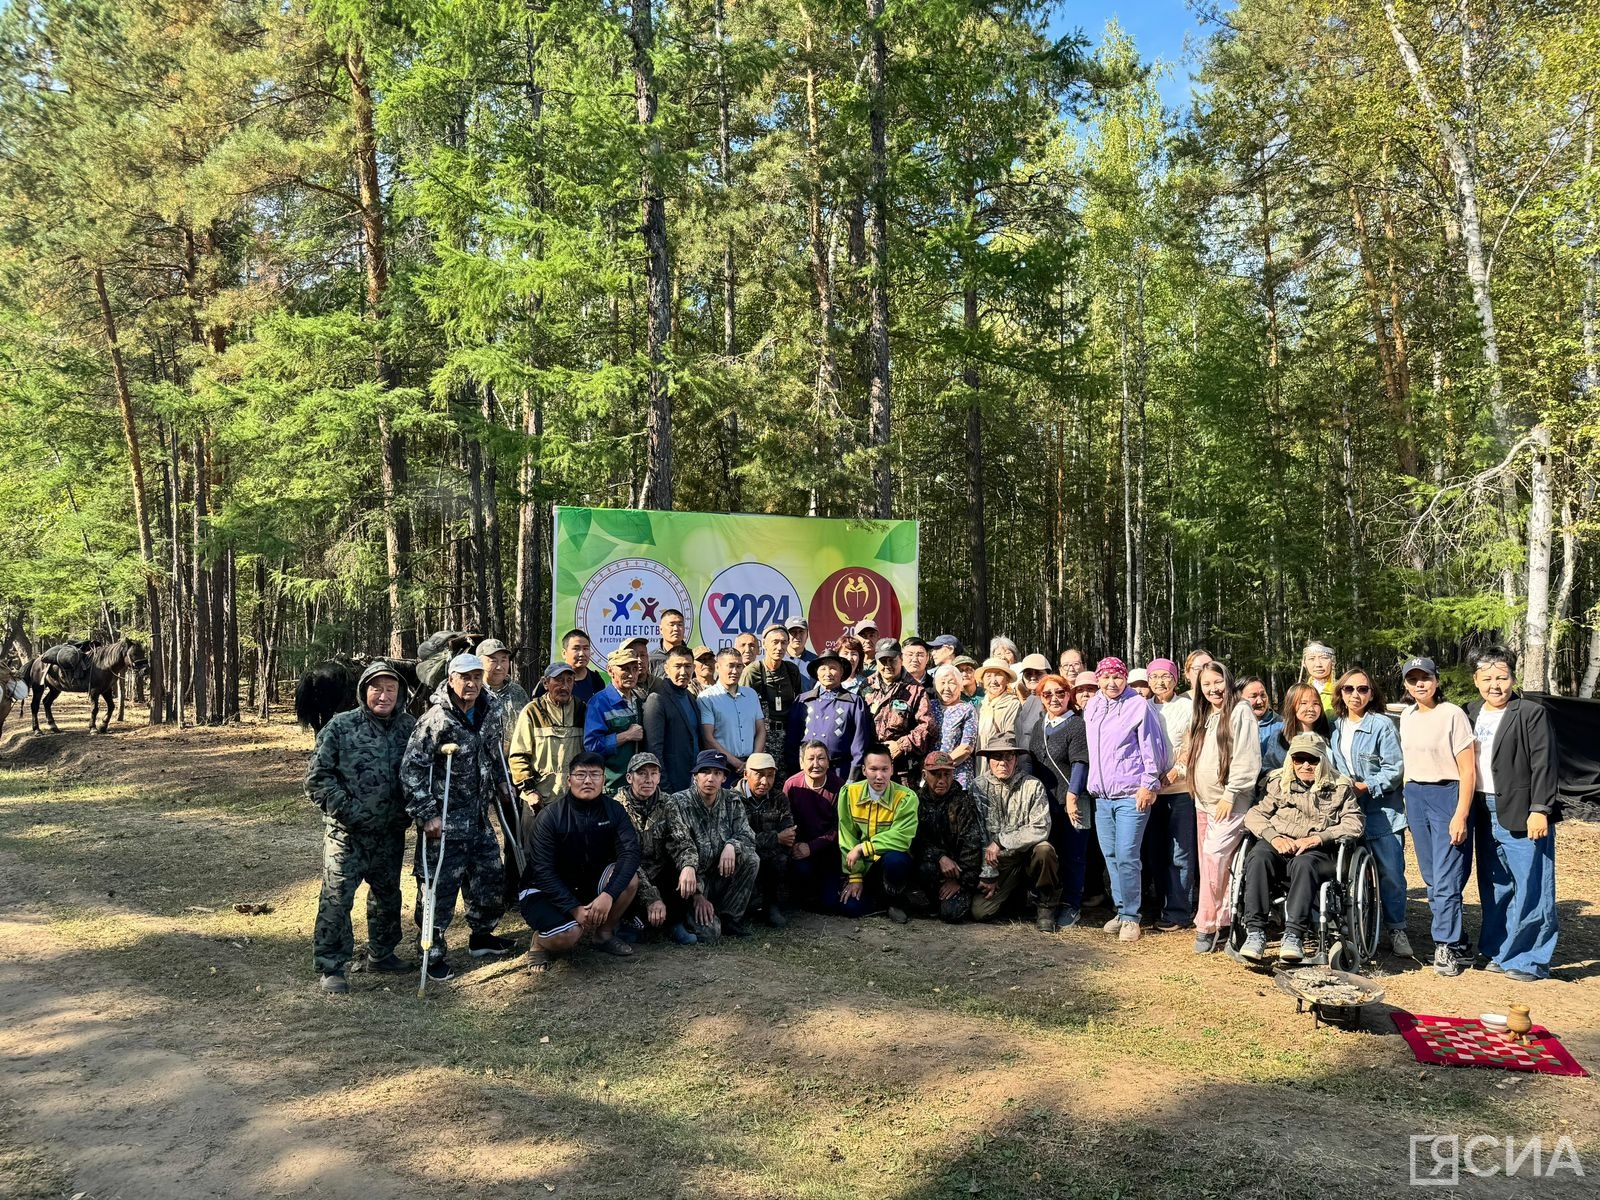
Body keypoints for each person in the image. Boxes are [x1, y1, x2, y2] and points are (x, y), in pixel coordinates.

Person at [402, 652, 515, 979]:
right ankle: (431, 953)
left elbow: (494, 754)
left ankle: (482, 936)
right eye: (465, 677)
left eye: (477, 677)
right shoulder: (436, 719)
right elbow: (411, 770)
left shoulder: (489, 712)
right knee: (438, 888)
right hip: (444, 823)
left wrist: (503, 785)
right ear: (451, 679)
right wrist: (427, 814)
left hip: (478, 817)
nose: (472, 683)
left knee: (490, 877)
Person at [307, 660, 418, 993]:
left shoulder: (409, 727)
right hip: (348, 834)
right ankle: (331, 966)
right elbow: (318, 779)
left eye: (390, 689)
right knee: (337, 899)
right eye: (376, 688)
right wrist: (350, 812)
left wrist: (408, 811)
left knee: (387, 895)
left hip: (390, 832)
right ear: (364, 690)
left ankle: (382, 953)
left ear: (399, 693)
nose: (383, 696)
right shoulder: (340, 727)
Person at [1465, 646, 1559, 982]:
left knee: (1532, 885)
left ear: (1513, 679)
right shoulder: (1471, 711)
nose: (1495, 684)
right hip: (1482, 809)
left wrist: (1540, 809)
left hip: (1523, 809)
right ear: (1476, 681)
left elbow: (1544, 763)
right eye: (1487, 677)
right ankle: (1497, 950)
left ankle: (1530, 959)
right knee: (1496, 884)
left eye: (1502, 677)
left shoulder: (1530, 712)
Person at [1239, 733, 1364, 962]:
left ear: (1322, 761)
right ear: (1291, 760)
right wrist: (1273, 837)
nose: (1306, 765)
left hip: (1317, 850)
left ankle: (1294, 934)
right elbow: (1254, 815)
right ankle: (1255, 932)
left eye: (1313, 760)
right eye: (1299, 759)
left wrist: (1320, 838)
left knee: (1304, 864)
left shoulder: (1340, 787)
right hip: (1280, 843)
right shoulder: (1278, 784)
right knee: (1258, 857)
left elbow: (1354, 822)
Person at [518, 751, 641, 970]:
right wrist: (574, 908)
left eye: (595, 775)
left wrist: (608, 894)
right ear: (569, 780)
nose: (587, 780)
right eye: (580, 774)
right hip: (543, 890)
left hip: (587, 883)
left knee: (629, 880)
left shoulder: (614, 810)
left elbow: (630, 853)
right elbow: (542, 870)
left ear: (603, 779)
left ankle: (603, 935)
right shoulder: (551, 816)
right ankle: (539, 943)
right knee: (569, 935)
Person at [1398, 656, 1478, 976]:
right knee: (1432, 877)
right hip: (1416, 796)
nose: (1420, 684)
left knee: (1447, 876)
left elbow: (1468, 769)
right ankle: (1458, 940)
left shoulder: (1452, 714)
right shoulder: (1406, 715)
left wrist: (1461, 813)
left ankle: (1444, 945)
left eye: (1425, 677)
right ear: (1405, 685)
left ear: (1436, 680)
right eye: (1413, 679)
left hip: (1447, 793)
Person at [1175, 662, 1260, 954]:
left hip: (1230, 804)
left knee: (1214, 860)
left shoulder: (1240, 711)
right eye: (1206, 685)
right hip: (1203, 803)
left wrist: (1230, 793)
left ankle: (1209, 923)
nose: (1213, 689)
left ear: (1228, 680)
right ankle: (1223, 923)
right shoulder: (1204, 715)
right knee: (1212, 867)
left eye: (1217, 682)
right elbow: (1191, 754)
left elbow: (1246, 757)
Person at [1083, 657, 1167, 942]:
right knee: (1110, 856)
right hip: (1102, 797)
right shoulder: (1092, 705)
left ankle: (1132, 916)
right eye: (1105, 677)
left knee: (1128, 855)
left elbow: (1152, 747)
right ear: (1098, 679)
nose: (1111, 683)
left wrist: (1148, 783)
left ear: (1125, 678)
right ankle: (1120, 911)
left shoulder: (1138, 705)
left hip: (1131, 794)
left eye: (1117, 677)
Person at [1328, 667, 1410, 959]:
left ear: (1371, 693)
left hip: (1381, 811)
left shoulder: (1381, 725)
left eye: (1362, 689)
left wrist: (1367, 785)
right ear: (1340, 693)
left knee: (1390, 874)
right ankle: (1358, 926)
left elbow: (1395, 769)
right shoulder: (1334, 726)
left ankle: (1397, 928)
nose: (1355, 695)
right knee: (1349, 873)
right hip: (1347, 812)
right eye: (1349, 689)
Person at [665, 750, 761, 938]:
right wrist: (697, 895)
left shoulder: (732, 800)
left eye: (717, 773)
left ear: (724, 777)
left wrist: (731, 845)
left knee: (751, 858)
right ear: (695, 776)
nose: (710, 778)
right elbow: (677, 846)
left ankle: (730, 917)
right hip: (690, 880)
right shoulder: (678, 802)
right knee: (711, 934)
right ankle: (688, 915)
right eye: (705, 772)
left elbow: (748, 835)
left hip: (720, 874)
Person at [970, 740, 1059, 933]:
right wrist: (988, 873)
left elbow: (1041, 827)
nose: (1003, 763)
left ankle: (1045, 906)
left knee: (1045, 850)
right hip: (998, 863)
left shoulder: (1032, 785)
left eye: (1008, 757)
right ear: (988, 761)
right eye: (997, 757)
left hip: (1026, 856)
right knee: (979, 912)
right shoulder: (978, 787)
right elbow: (978, 834)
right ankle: (1015, 897)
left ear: (1016, 759)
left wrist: (1002, 841)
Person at [1028, 673, 1090, 930]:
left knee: (1074, 854)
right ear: (1041, 699)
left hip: (1073, 800)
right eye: (1047, 694)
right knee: (1051, 853)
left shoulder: (1076, 725)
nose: (1054, 698)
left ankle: (1071, 905)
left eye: (1060, 693)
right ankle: (1048, 901)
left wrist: (1073, 794)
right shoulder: (1039, 726)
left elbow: (1080, 761)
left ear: (1069, 695)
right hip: (1046, 803)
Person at [837, 743, 919, 921]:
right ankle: (878, 900)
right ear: (864, 770)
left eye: (884, 769)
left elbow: (901, 837)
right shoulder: (849, 793)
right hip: (863, 866)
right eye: (873, 769)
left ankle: (894, 900)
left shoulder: (906, 797)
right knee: (849, 908)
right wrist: (855, 876)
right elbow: (847, 836)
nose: (879, 776)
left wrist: (863, 848)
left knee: (896, 860)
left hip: (888, 862)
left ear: (892, 770)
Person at [1146, 656, 1198, 934]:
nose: (1160, 682)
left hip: (1180, 790)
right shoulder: (1143, 708)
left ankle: (1179, 910)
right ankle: (1163, 904)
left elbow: (1191, 742)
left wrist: (1178, 769)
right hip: (1152, 792)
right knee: (1155, 852)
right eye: (1154, 677)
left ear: (1175, 679)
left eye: (1165, 676)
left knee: (1180, 852)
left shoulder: (1187, 707)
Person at [610, 752, 683, 944]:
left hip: (659, 870)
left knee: (682, 869)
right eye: (642, 773)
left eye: (653, 773)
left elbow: (682, 841)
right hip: (632, 872)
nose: (648, 780)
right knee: (624, 877)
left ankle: (674, 921)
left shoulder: (669, 802)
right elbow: (626, 856)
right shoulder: (616, 807)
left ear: (659, 777)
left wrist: (689, 868)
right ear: (629, 778)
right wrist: (652, 897)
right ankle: (627, 921)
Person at [910, 751, 984, 922]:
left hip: (959, 872)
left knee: (952, 915)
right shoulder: (915, 801)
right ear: (924, 775)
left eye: (947, 774)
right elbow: (914, 840)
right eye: (935, 774)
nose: (942, 780)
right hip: (931, 867)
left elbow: (972, 847)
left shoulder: (963, 802)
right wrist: (939, 856)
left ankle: (946, 899)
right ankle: (929, 899)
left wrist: (961, 881)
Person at [508, 661, 586, 813]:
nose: (564, 686)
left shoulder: (582, 710)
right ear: (545, 683)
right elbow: (518, 756)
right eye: (558, 680)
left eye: (569, 680)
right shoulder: (532, 711)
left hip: (574, 798)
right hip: (539, 800)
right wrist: (530, 792)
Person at [860, 638, 936, 785]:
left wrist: (901, 745)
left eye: (892, 660)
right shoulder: (866, 685)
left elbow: (928, 727)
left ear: (900, 659)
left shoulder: (915, 690)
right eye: (883, 661)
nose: (888, 665)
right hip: (872, 766)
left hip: (902, 770)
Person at [736, 752, 796, 927]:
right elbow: (738, 838)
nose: (765, 781)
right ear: (746, 774)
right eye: (759, 774)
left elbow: (789, 835)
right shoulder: (731, 798)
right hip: (742, 855)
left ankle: (771, 906)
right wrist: (775, 837)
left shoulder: (779, 798)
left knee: (781, 859)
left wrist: (767, 841)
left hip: (771, 856)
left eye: (770, 775)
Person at [789, 651, 870, 778]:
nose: (828, 673)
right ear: (817, 672)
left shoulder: (853, 702)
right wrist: (795, 772)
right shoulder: (803, 700)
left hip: (841, 772)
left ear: (842, 672)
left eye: (833, 668)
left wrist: (853, 776)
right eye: (823, 669)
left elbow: (859, 742)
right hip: (807, 772)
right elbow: (792, 740)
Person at [784, 739, 843, 912]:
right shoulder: (792, 785)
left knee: (829, 905)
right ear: (801, 763)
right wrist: (796, 845)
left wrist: (813, 846)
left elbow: (841, 827)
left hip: (828, 850)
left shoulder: (840, 787)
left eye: (821, 758)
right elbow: (786, 821)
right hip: (800, 849)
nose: (816, 764)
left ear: (828, 761)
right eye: (810, 759)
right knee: (800, 872)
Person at [583, 646, 648, 789]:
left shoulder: (640, 700)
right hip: (612, 787)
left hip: (638, 787)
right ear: (610, 670)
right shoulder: (599, 703)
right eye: (625, 669)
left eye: (634, 669)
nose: (631, 674)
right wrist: (626, 735)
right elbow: (592, 747)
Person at [743, 624, 804, 772]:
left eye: (784, 642)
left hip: (789, 736)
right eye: (775, 642)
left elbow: (800, 703)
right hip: (763, 737)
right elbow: (743, 710)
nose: (779, 647)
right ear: (764, 644)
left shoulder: (792, 670)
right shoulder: (753, 671)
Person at [643, 645, 702, 793]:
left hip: (693, 783)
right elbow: (654, 750)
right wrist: (664, 787)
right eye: (678, 666)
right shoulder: (656, 699)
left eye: (688, 666)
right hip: (671, 787)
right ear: (666, 668)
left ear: (694, 668)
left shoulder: (690, 697)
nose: (683, 672)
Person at [698, 649, 766, 774]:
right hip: (721, 766)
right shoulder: (707, 698)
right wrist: (737, 763)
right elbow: (708, 738)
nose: (735, 671)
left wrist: (752, 762)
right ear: (717, 667)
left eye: (739, 666)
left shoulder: (751, 694)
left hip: (750, 768)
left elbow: (761, 730)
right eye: (730, 666)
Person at [932, 664, 979, 787]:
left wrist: (940, 765)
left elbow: (967, 747)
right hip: (930, 773)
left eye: (952, 683)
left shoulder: (967, 709)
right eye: (942, 683)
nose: (946, 688)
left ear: (960, 686)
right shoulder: (929, 706)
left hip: (958, 774)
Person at [477, 638, 528, 748]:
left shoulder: (518, 693)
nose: (499, 667)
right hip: (479, 763)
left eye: (504, 660)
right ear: (479, 663)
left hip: (512, 762)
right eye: (493, 661)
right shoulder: (474, 694)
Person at [537, 629, 609, 706]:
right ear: (564, 653)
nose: (582, 653)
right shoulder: (550, 681)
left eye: (585, 648)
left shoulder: (596, 680)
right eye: (576, 648)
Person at [974, 658, 1021, 769]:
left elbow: (1009, 738)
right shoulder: (980, 706)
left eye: (998, 675)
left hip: (1001, 763)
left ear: (1007, 679)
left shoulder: (1012, 704)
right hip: (979, 763)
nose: (993, 681)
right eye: (988, 676)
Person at [1238, 677, 1284, 775]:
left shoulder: (1281, 726)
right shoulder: (1231, 725)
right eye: (1253, 696)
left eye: (1263, 695)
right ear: (1239, 699)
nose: (1260, 701)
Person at [902, 637, 941, 724]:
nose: (915, 659)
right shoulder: (894, 685)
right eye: (910, 654)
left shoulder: (936, 687)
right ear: (901, 657)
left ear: (927, 658)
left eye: (920, 655)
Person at [1301, 640, 1338, 718]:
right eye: (1311, 658)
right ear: (1304, 663)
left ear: (1333, 661)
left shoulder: (1343, 690)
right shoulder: (1299, 692)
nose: (1318, 664)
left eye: (1324, 658)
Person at [649, 609, 688, 674]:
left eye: (680, 625)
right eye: (671, 625)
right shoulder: (651, 659)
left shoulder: (692, 657)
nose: (676, 629)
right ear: (661, 629)